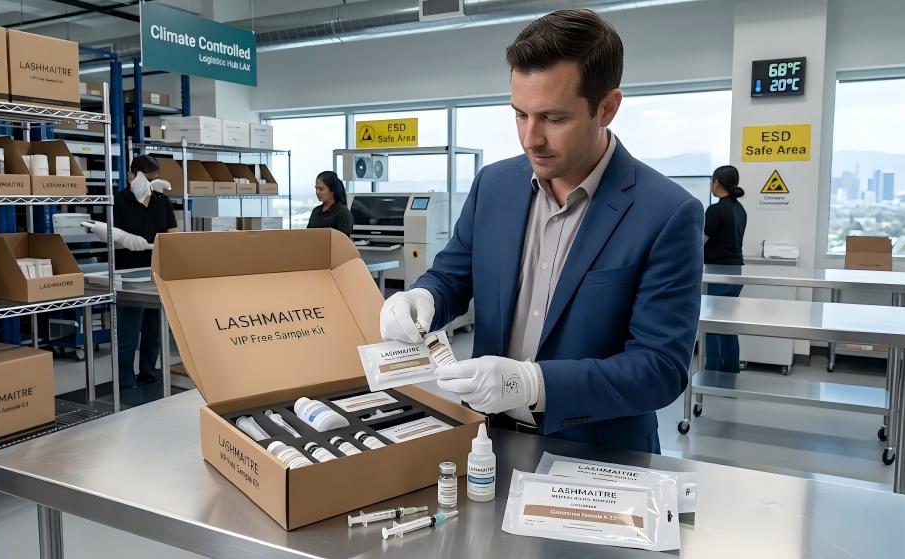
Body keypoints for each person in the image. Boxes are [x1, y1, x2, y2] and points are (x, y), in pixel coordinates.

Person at [379, 9, 703, 454]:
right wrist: (423, 298)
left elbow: (659, 369)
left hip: (599, 454)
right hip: (487, 441)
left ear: (607, 108)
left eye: (553, 119)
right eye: (519, 114)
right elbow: (453, 277)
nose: (530, 139)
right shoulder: (493, 186)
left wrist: (534, 384)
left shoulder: (667, 213)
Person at [113, 155, 178, 389]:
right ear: (133, 175)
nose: (151, 184)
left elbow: (172, 233)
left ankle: (148, 375)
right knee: (129, 335)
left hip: (156, 273)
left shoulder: (162, 201)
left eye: (155, 179)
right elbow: (111, 238)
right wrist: (127, 241)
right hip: (129, 275)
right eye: (147, 179)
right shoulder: (119, 200)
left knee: (153, 333)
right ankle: (124, 381)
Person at [703, 165, 747, 372]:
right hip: (736, 274)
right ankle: (730, 372)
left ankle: (711, 373)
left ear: (717, 183)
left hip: (717, 274)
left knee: (712, 327)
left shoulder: (716, 210)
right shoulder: (740, 210)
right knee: (730, 326)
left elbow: (699, 242)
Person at [307, 171, 353, 238]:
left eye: (321, 189)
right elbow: (307, 235)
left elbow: (342, 241)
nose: (317, 192)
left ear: (332, 190)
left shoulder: (343, 213)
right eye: (316, 188)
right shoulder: (316, 211)